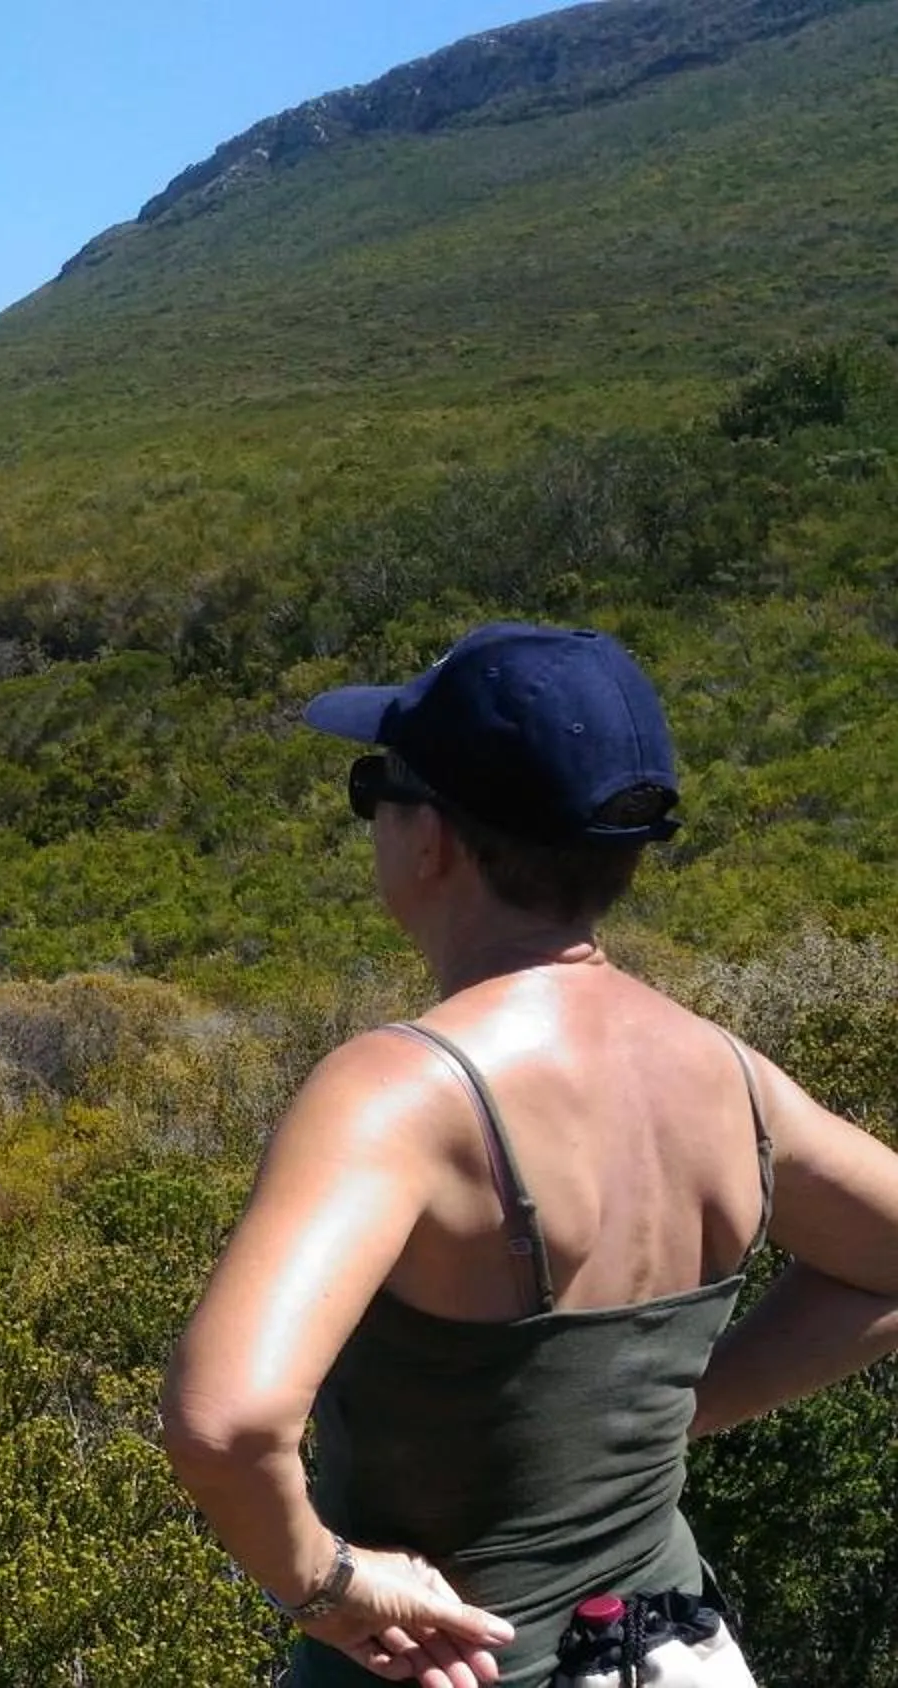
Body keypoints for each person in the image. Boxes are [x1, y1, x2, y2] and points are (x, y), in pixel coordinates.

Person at [160, 622, 898, 1688]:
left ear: (437, 840)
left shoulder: (399, 1092)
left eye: (377, 786)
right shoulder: (728, 1076)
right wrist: (669, 1418)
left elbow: (225, 1423)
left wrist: (324, 1585)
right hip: (682, 1647)